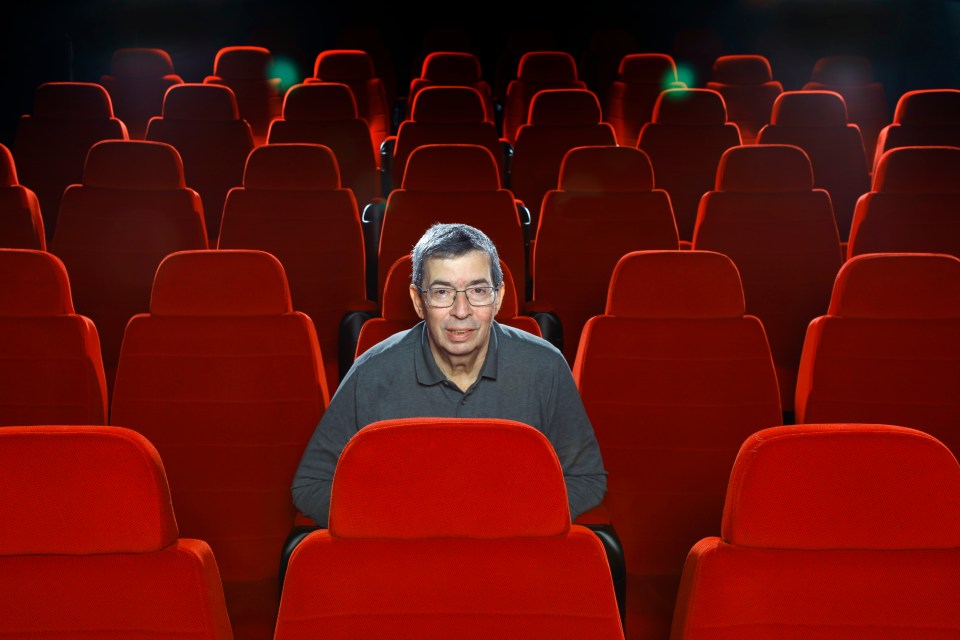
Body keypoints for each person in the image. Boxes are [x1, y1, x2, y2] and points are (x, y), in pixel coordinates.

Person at [292, 222, 607, 526]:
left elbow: (586, 478)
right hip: (406, 556)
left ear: (498, 298)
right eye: (442, 292)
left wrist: (510, 521)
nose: (461, 311)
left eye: (478, 290)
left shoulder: (546, 367)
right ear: (419, 301)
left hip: (511, 552)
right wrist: (395, 522)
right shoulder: (372, 372)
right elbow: (311, 485)